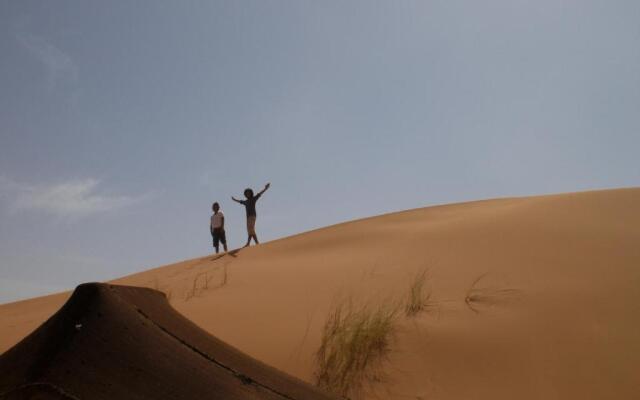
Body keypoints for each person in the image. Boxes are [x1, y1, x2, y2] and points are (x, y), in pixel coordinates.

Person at [232, 183, 270, 247]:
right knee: (250, 230)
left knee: (251, 229)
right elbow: (240, 201)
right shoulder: (246, 202)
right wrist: (234, 199)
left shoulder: (253, 199)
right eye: (246, 193)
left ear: (251, 193)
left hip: (252, 216)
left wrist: (265, 188)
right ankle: (255, 243)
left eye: (248, 193)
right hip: (248, 217)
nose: (247, 194)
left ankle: (249, 243)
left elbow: (260, 194)